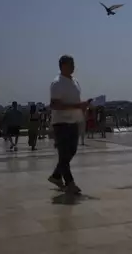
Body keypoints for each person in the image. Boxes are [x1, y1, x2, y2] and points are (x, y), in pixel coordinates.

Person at [48, 55, 89, 194]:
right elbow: (54, 104)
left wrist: (82, 107)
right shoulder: (57, 83)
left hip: (73, 121)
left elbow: (74, 101)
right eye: (71, 64)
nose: (73, 66)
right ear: (62, 65)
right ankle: (70, 183)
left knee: (71, 152)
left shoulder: (75, 82)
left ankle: (56, 176)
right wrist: (78, 105)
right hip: (61, 122)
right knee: (64, 154)